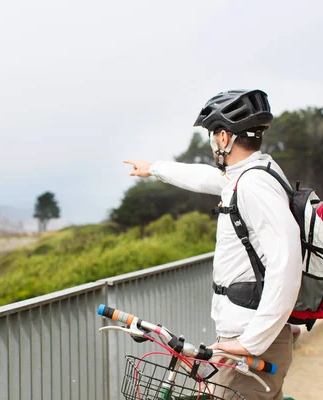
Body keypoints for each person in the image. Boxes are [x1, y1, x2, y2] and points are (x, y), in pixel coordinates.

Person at [124, 90, 302, 399]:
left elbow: (286, 265)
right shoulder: (246, 176)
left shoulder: (254, 185)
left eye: (211, 135)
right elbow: (203, 177)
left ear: (223, 138)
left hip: (251, 341)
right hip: (245, 335)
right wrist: (154, 168)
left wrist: (253, 342)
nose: (211, 143)